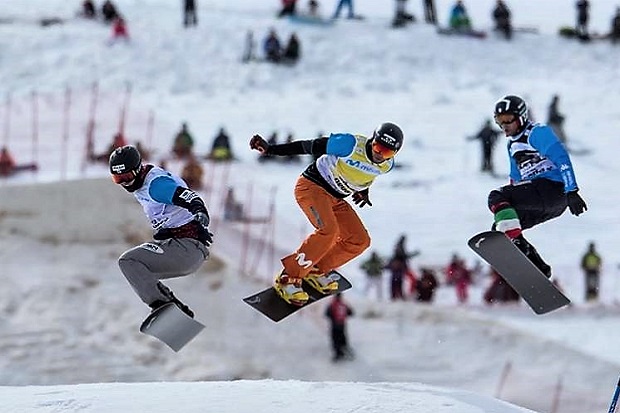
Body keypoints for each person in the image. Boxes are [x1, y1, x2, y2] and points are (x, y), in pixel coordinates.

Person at [249, 122, 404, 305]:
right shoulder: (350, 144)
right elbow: (309, 146)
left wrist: (363, 190)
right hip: (312, 186)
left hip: (335, 198)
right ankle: (288, 278)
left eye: (387, 152)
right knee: (328, 232)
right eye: (378, 147)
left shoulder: (387, 165)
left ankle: (315, 270)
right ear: (372, 140)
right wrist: (271, 150)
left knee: (359, 240)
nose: (379, 154)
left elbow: (367, 172)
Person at [489, 95, 587, 279]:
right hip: (545, 201)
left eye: (508, 120)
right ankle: (539, 269)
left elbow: (561, 158)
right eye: (499, 121)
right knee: (501, 231)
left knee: (496, 196)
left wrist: (572, 190)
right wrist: (512, 207)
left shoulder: (536, 133)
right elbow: (515, 179)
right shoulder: (512, 145)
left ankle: (517, 244)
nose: (504, 126)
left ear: (522, 116)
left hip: (553, 190)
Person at [110, 145, 212, 318]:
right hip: (179, 244)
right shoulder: (145, 180)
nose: (124, 183)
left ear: (138, 169)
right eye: (118, 179)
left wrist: (199, 210)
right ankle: (172, 307)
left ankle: (163, 307)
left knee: (129, 261)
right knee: (138, 271)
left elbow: (187, 196)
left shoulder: (155, 186)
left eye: (126, 177)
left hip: (187, 248)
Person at [325, 293, 354, 362]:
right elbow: (351, 312)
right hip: (342, 325)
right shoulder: (343, 304)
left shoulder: (332, 304)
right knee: (342, 338)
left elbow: (327, 313)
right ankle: (345, 350)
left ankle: (338, 354)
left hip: (335, 325)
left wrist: (332, 318)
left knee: (335, 339)